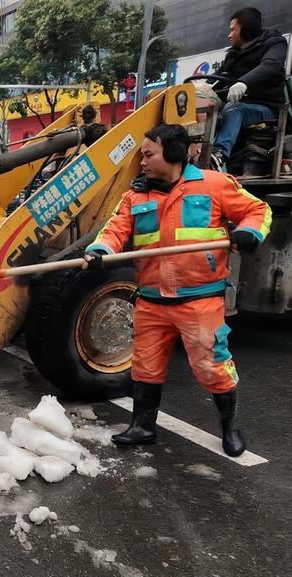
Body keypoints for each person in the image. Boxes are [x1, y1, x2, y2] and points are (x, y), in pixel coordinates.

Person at [85, 124, 272, 457]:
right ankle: (143, 426)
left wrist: (248, 233)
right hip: (152, 301)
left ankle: (229, 427)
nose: (141, 162)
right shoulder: (136, 196)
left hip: (199, 300)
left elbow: (257, 210)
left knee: (211, 366)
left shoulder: (214, 185)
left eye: (148, 154)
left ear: (172, 152)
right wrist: (101, 252)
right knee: (144, 365)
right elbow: (114, 231)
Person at [212, 7, 288, 167]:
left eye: (233, 30)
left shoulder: (275, 43)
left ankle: (219, 156)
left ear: (246, 29)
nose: (229, 35)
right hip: (238, 105)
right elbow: (216, 78)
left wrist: (244, 82)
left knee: (234, 108)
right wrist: (199, 90)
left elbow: (270, 65)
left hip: (267, 107)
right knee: (207, 111)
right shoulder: (233, 54)